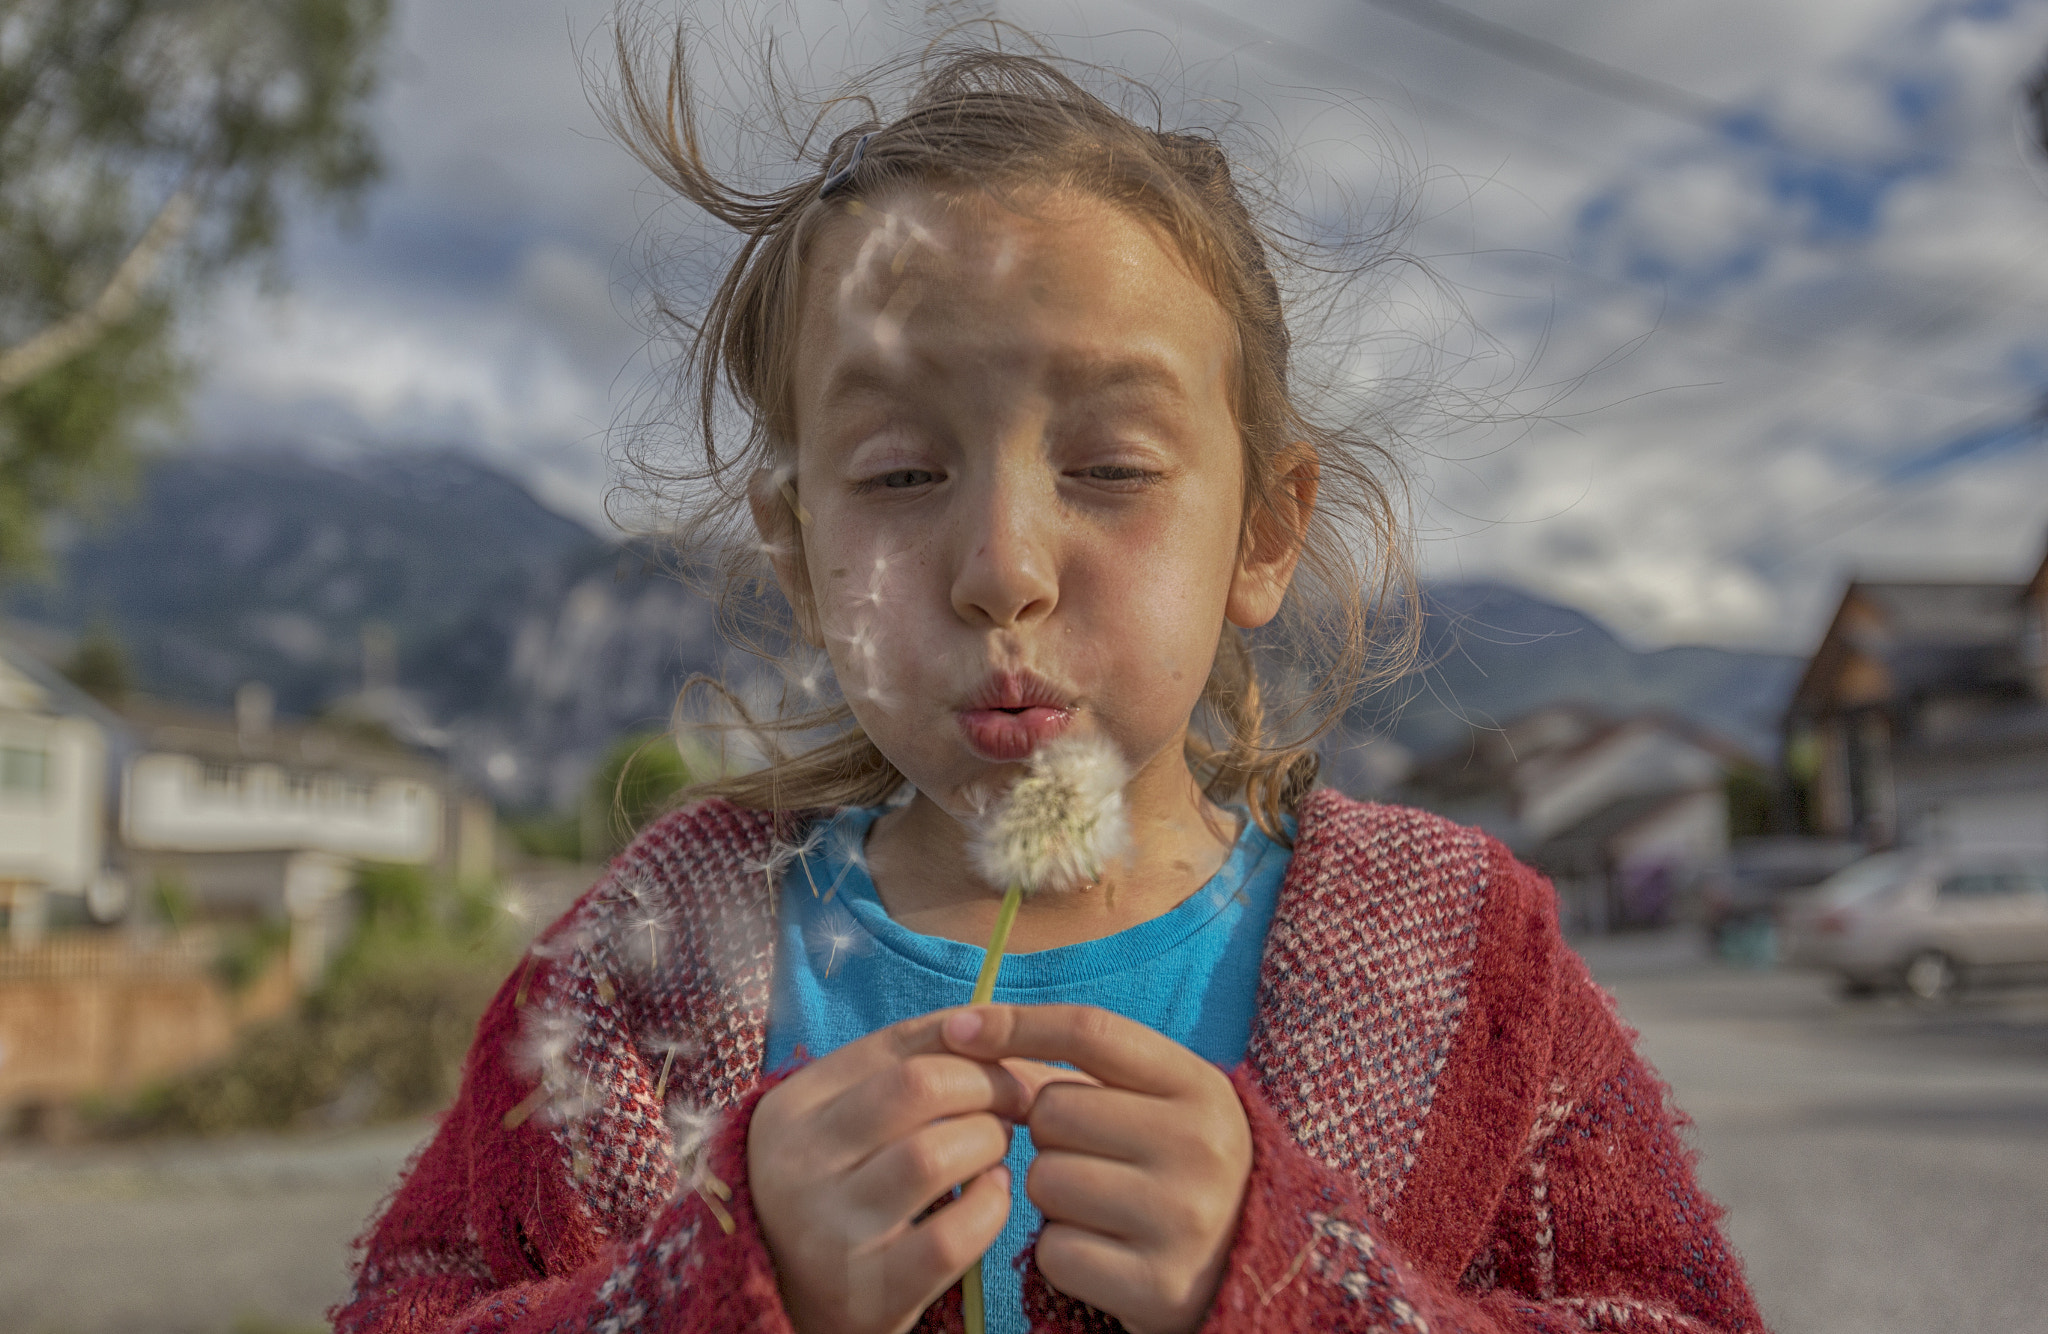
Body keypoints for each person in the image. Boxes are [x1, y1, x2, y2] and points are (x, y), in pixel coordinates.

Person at [334, 29, 1766, 1334]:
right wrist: (719, 1284)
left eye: (1110, 468)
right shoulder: (636, 975)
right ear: (800, 552)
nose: (1001, 568)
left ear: (1264, 532)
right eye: (899, 474)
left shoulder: (1462, 960)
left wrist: (1300, 1290)